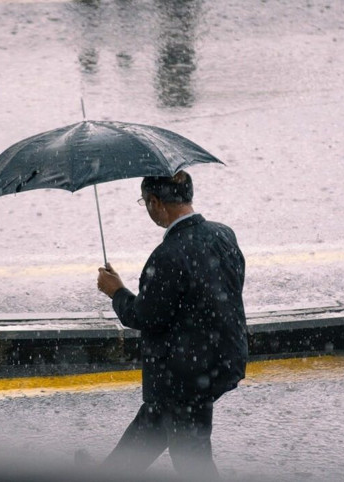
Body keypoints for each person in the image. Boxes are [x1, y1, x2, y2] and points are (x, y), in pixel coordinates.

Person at [96, 171, 247, 481]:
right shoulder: (223, 235)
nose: (147, 209)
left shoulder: (167, 256)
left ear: (155, 202)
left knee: (193, 462)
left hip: (183, 377)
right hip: (219, 361)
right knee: (150, 428)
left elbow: (144, 316)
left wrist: (116, 291)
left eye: (145, 202)